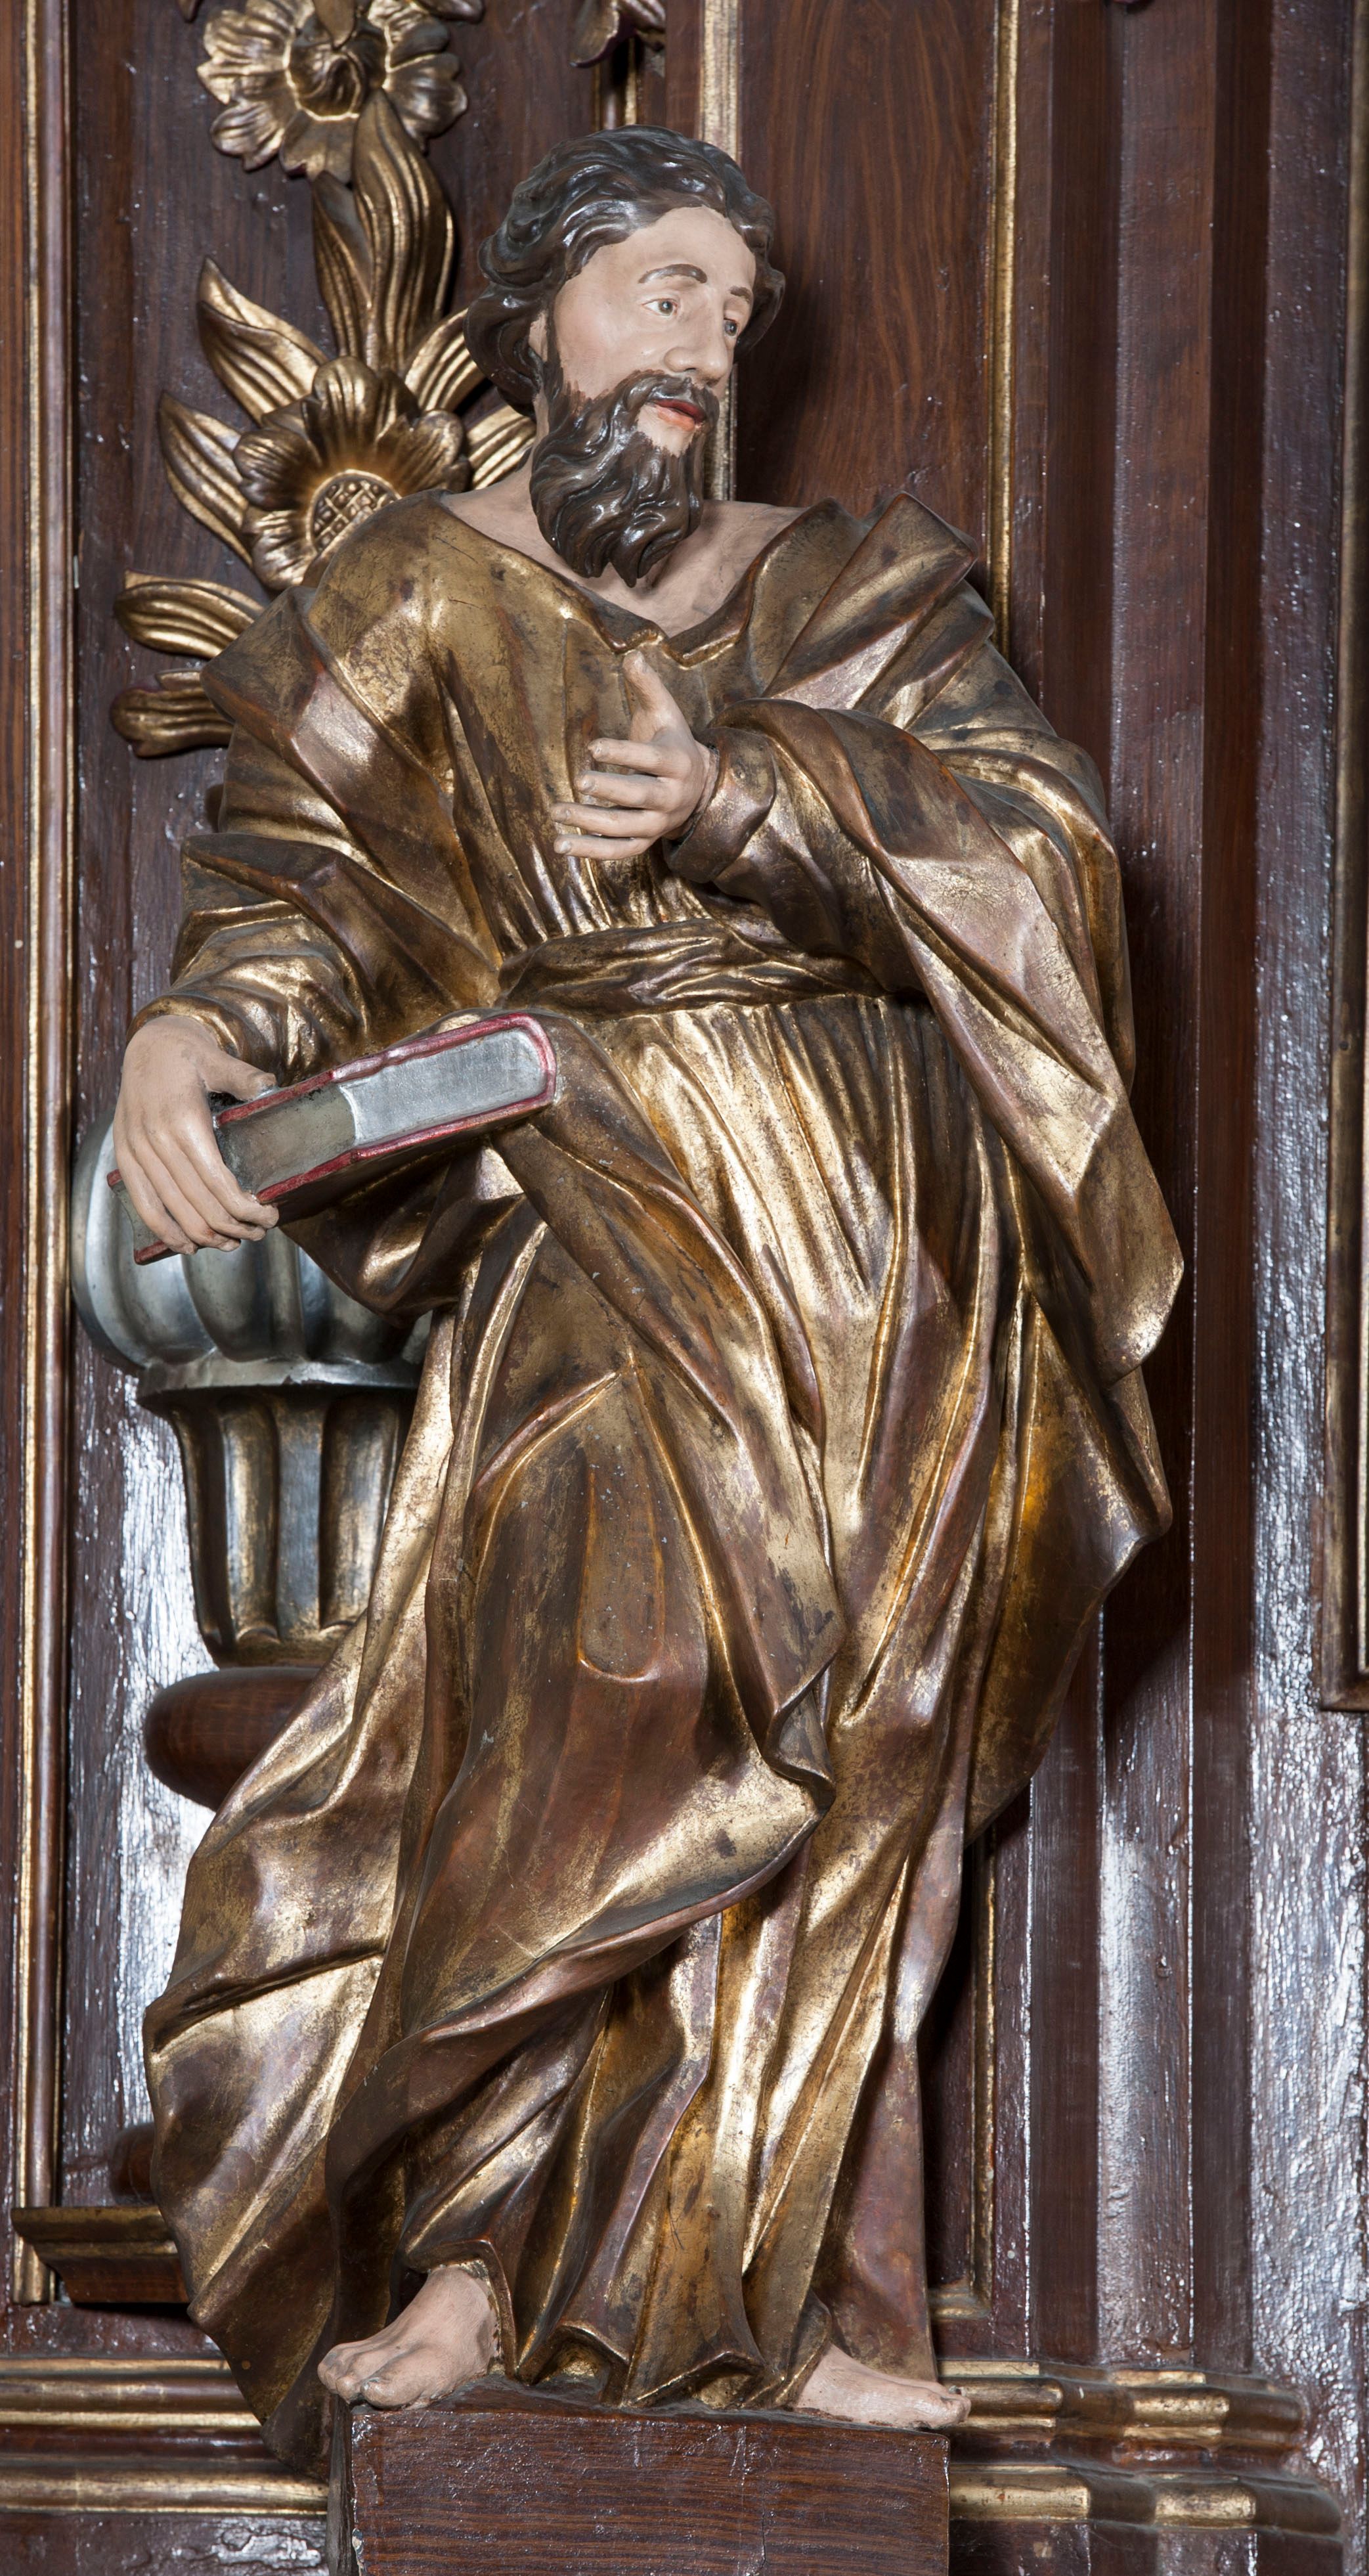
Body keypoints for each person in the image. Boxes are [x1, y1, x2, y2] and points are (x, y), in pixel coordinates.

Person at [118, 126, 1181, 2474]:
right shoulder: (409, 595)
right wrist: (191, 1035)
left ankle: (780, 2292)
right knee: (594, 1690)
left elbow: (1048, 852)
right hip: (590, 1204)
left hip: (883, 1251)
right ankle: (482, 2258)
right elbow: (298, 892)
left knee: (861, 1760)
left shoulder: (855, 585)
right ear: (541, 317)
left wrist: (749, 792)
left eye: (734, 308)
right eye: (662, 288)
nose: (704, 342)